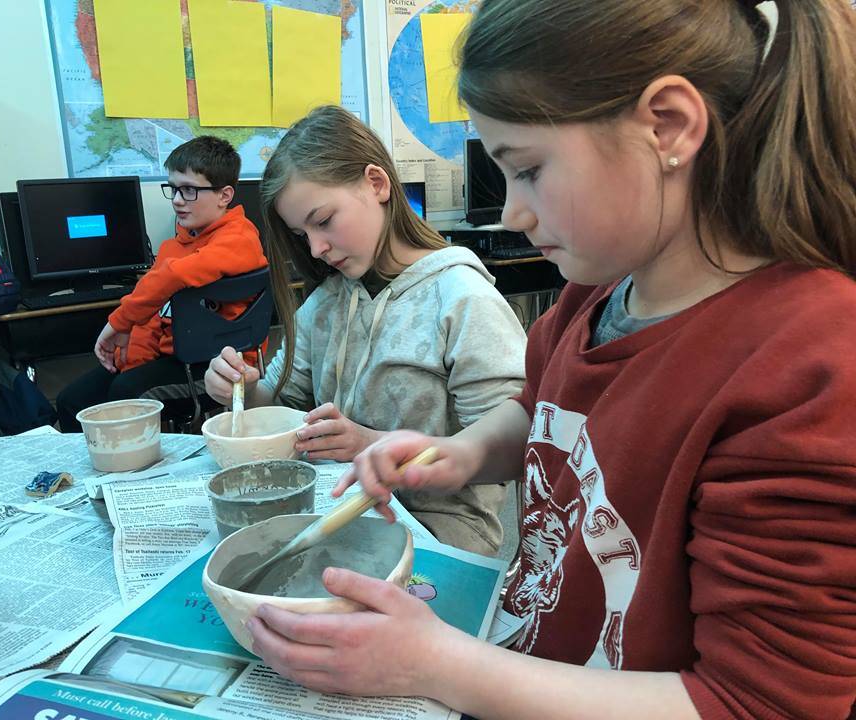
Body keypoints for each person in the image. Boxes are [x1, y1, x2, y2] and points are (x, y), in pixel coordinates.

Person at [242, 1, 856, 718]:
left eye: (528, 169)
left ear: (669, 127)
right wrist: (463, 452)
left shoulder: (810, 366)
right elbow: (544, 409)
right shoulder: (597, 294)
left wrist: (438, 665)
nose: (512, 215)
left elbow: (759, 702)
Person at [204, 105, 527, 556]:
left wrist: (370, 445)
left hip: (439, 528)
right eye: (302, 235)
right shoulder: (326, 302)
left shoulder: (461, 299)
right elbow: (286, 406)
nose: (316, 249)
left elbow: (509, 451)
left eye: (323, 221)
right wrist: (243, 388)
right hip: (337, 502)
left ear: (377, 184)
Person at [57, 136, 267, 432]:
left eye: (190, 190)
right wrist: (132, 360)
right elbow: (153, 312)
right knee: (72, 400)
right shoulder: (174, 247)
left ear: (224, 195)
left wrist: (119, 323)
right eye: (174, 189)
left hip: (218, 366)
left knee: (127, 395)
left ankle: (131, 473)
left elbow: (172, 278)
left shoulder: (239, 239)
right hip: (172, 357)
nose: (178, 199)